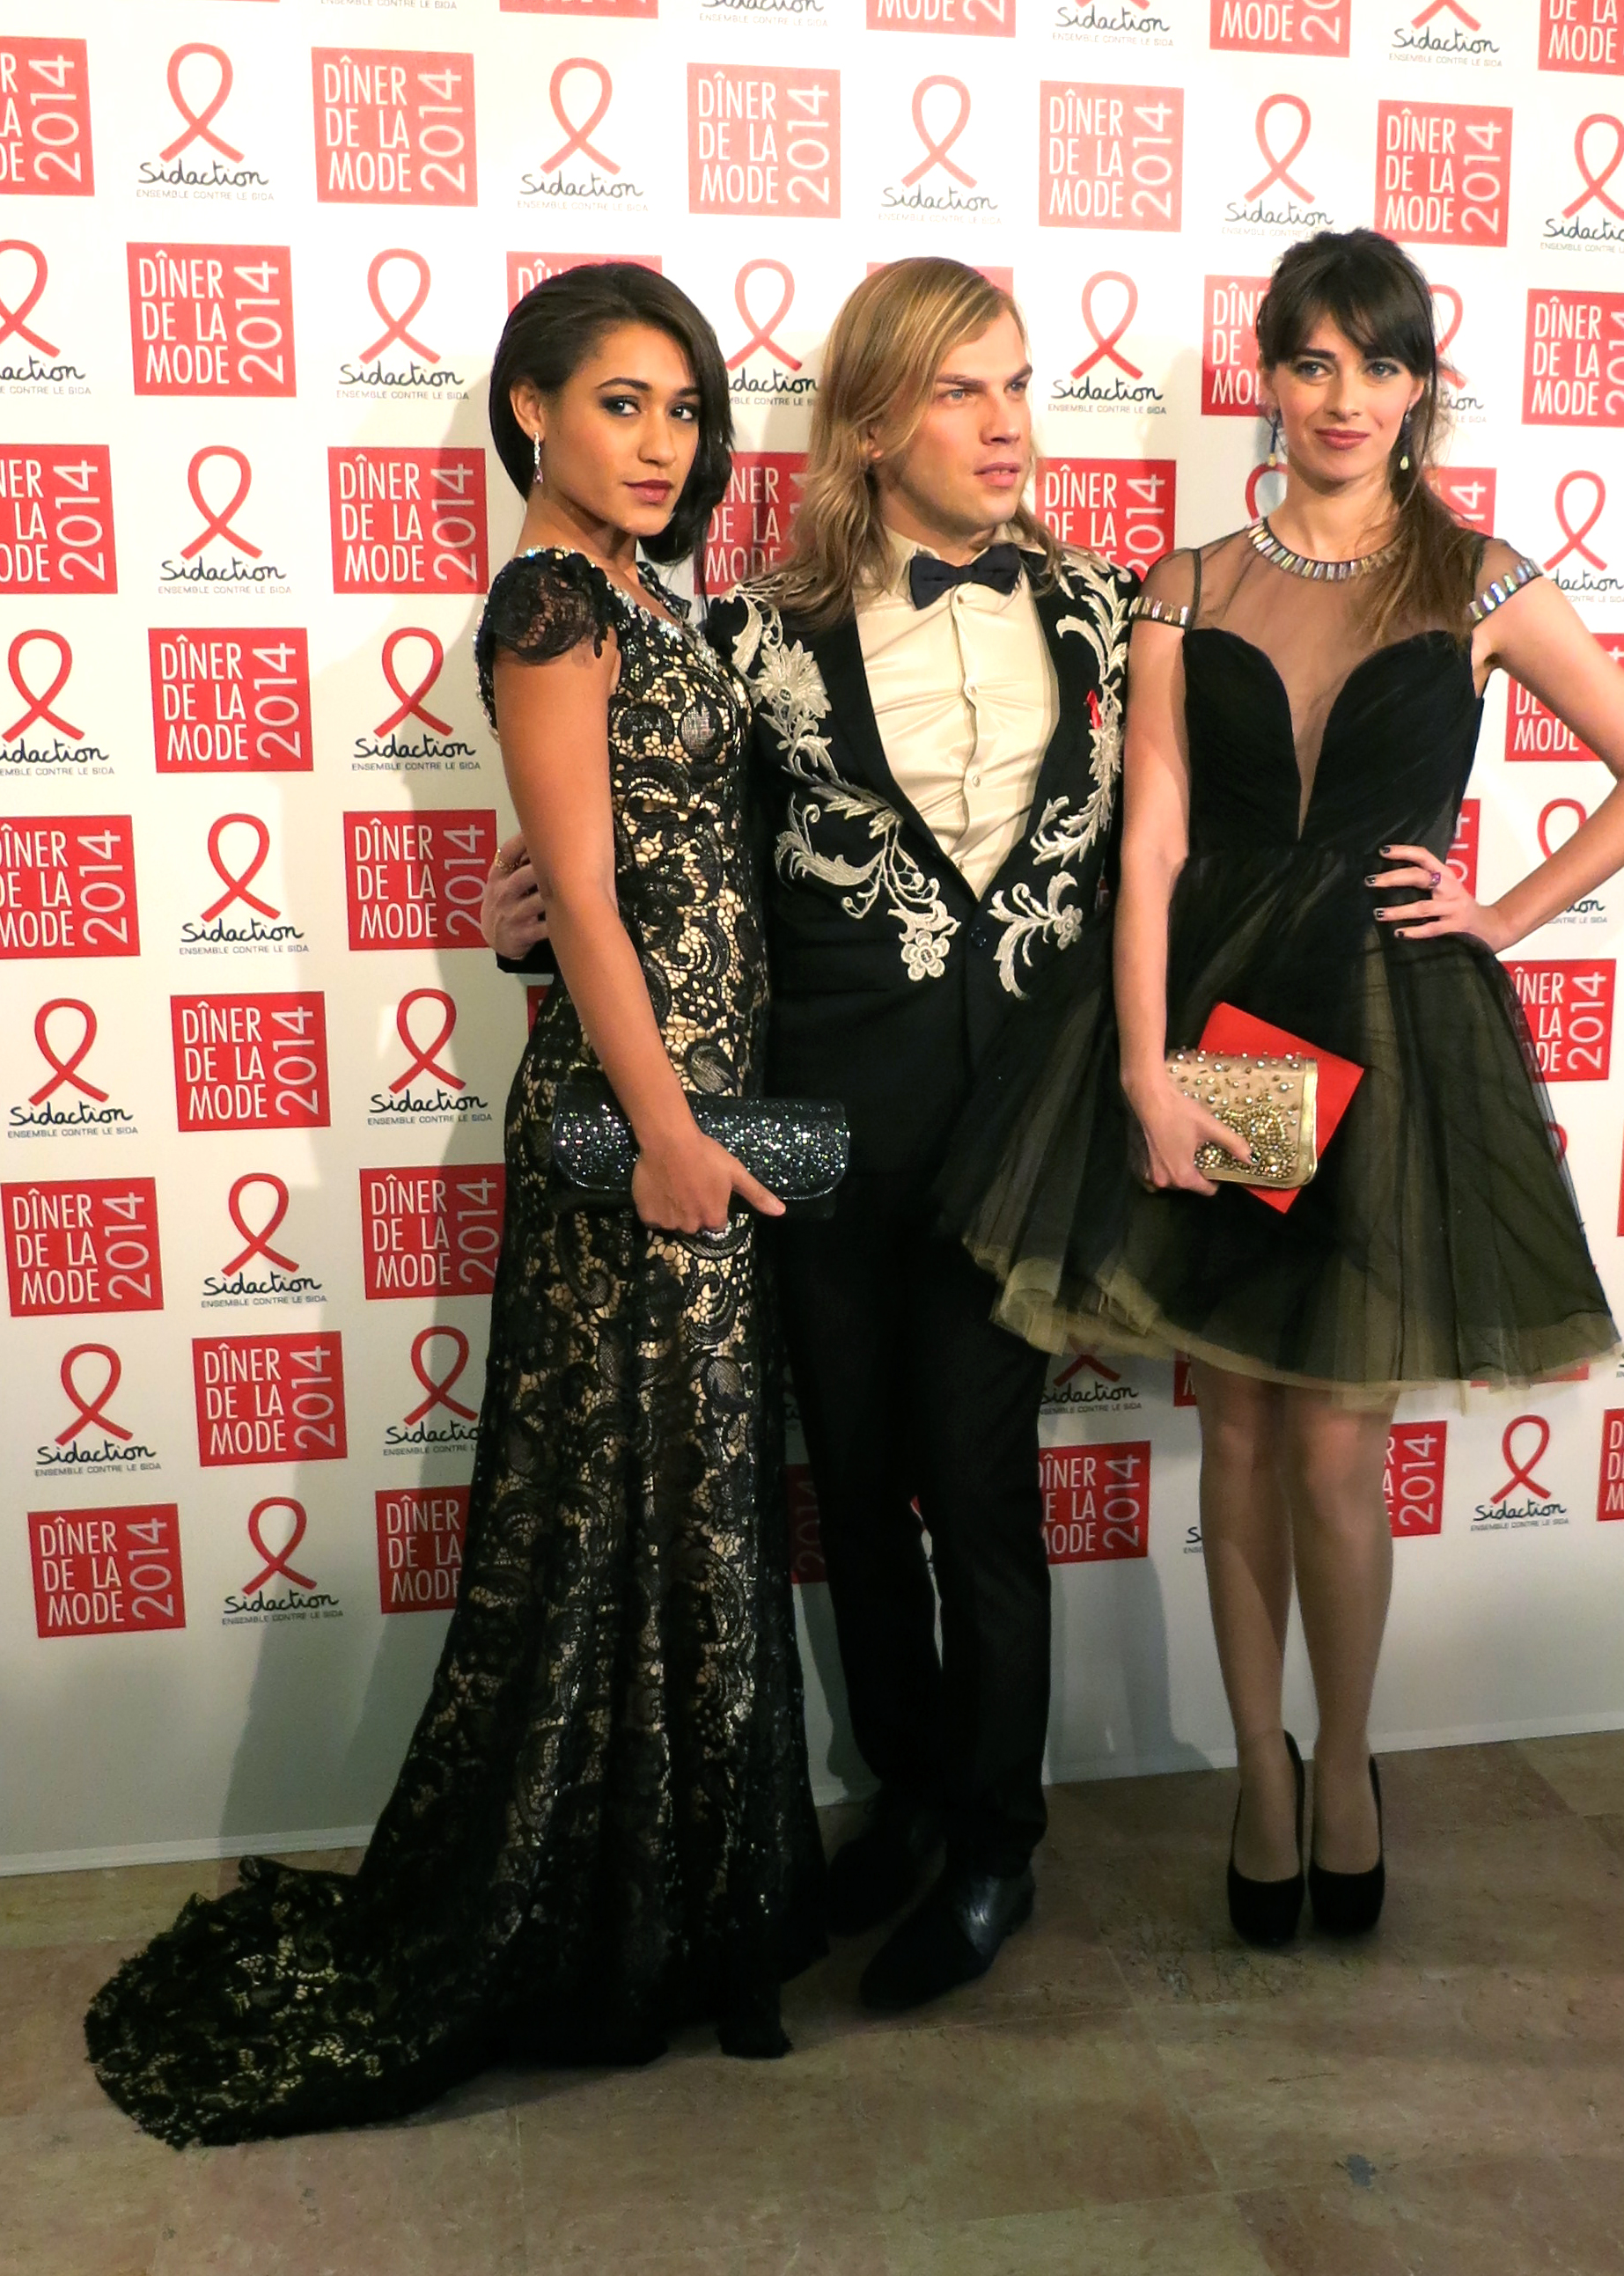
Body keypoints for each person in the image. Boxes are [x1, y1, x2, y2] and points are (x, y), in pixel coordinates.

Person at [85, 263, 825, 2149]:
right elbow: (582, 893)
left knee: (691, 1507)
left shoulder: (655, 597)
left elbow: (609, 869)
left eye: (682, 408)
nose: (658, 443)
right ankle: (620, 1930)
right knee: (617, 1514)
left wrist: (552, 959)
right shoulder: (548, 599)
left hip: (695, 1108)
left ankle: (688, 1918)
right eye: (618, 403)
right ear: (528, 414)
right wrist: (662, 1127)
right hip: (634, 1128)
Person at [938, 229, 1624, 1947]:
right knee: (1243, 1426)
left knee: (1338, 1445)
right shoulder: (1186, 585)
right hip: (1231, 1030)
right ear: (1269, 379)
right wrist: (1144, 1066)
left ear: (1421, 387)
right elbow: (1150, 843)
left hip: (1382, 1023)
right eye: (1312, 362)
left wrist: (1502, 910)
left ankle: (1346, 1762)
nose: (1345, 398)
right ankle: (1257, 1774)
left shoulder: (1477, 579)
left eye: (1381, 364)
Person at [485, 258, 1141, 2011]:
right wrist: (523, 913)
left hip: (1024, 1134)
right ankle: (912, 1795)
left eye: (1018, 385)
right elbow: (663, 841)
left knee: (979, 1489)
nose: (1005, 424)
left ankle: (997, 1843)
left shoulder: (1107, 611)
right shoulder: (749, 635)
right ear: (866, 425)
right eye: (958, 391)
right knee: (851, 1488)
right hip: (820, 1132)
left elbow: (1171, 862)